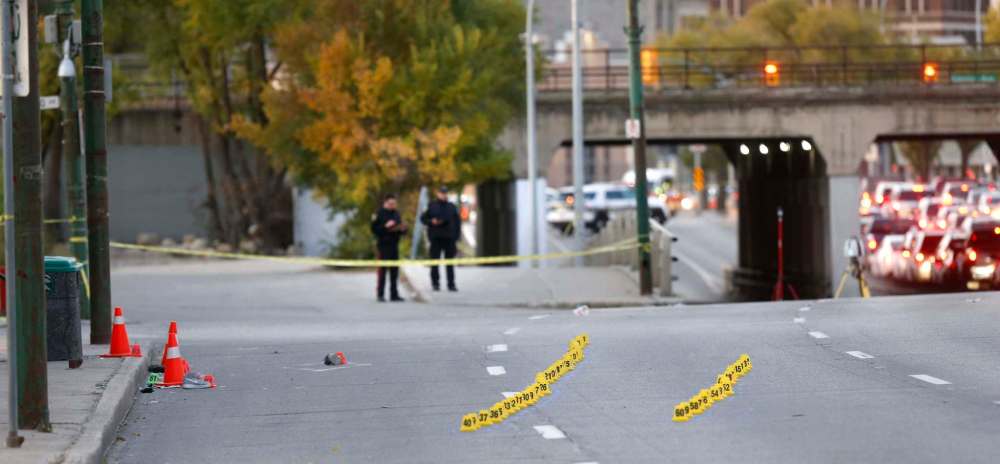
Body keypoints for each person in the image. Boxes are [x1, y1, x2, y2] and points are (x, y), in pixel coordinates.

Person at [421, 186, 461, 291]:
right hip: (436, 238)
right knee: (434, 262)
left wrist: (456, 237)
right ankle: (435, 283)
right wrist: (431, 221)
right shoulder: (432, 206)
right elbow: (423, 218)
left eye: (445, 193)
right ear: (438, 194)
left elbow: (457, 223)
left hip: (449, 238)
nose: (444, 195)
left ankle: (451, 284)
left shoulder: (451, 207)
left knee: (450, 263)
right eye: (442, 193)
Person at [371, 194, 407, 302]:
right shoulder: (379, 214)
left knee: (394, 271)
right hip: (383, 246)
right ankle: (380, 294)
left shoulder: (396, 213)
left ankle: (394, 294)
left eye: (394, 204)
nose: (393, 206)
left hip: (394, 245)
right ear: (385, 203)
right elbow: (374, 230)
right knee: (382, 271)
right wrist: (385, 226)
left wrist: (403, 229)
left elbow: (400, 227)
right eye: (391, 204)